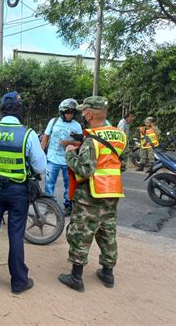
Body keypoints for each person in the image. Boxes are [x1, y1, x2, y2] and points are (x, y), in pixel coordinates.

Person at [0, 91, 47, 294]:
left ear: (1, 111)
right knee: (15, 235)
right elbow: (40, 166)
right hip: (18, 191)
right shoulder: (28, 134)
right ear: (19, 112)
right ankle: (18, 282)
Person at [59, 96, 128, 292]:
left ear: (89, 114)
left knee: (81, 232)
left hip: (90, 195)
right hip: (112, 192)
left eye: (83, 112)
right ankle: (107, 274)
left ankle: (76, 277)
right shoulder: (121, 135)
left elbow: (84, 171)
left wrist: (70, 152)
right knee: (108, 233)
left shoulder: (91, 140)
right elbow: (122, 165)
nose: (82, 114)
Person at [40, 98, 83, 216]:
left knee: (68, 185)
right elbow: (46, 137)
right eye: (67, 113)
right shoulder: (53, 122)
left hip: (68, 160)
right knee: (49, 183)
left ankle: (68, 206)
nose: (69, 115)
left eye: (71, 113)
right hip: (52, 159)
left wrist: (71, 143)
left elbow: (80, 143)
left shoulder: (77, 126)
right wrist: (40, 152)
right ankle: (50, 205)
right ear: (62, 113)